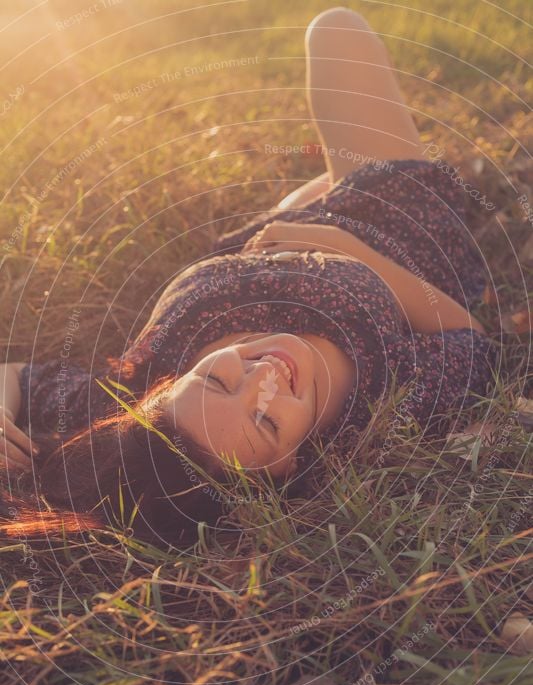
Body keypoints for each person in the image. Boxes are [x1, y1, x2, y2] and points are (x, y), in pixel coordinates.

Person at [0, 8, 496, 546]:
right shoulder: (386, 399)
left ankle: (354, 176)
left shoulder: (150, 413)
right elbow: (470, 337)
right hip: (391, 221)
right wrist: (349, 247)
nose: (264, 377)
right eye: (265, 421)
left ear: (163, 393)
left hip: (274, 231)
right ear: (285, 467)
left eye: (217, 379)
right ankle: (431, 176)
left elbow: (16, 375)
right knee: (335, 29)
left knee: (331, 144)